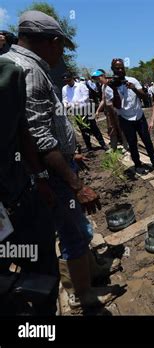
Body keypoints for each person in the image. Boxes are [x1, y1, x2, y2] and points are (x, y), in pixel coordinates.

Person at [2, 10, 119, 309]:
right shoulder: (28, 71)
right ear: (52, 42)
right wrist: (75, 183)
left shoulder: (24, 65)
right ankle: (83, 295)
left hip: (50, 168)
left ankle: (88, 276)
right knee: (72, 234)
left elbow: (37, 129)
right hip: (48, 175)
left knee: (78, 228)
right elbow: (38, 139)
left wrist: (70, 153)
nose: (61, 54)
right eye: (61, 47)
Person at [0, 56, 58, 315]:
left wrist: (41, 178)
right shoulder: (9, 73)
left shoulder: (9, 73)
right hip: (16, 201)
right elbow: (26, 132)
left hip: (18, 199)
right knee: (38, 279)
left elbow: (24, 132)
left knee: (40, 277)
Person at [110, 58, 154, 174]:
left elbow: (145, 97)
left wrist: (133, 88)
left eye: (122, 68)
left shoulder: (132, 80)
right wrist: (115, 89)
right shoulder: (110, 86)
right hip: (125, 118)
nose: (120, 70)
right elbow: (117, 106)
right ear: (112, 69)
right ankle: (137, 164)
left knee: (147, 140)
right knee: (132, 142)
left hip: (139, 116)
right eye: (117, 68)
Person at [62, 71, 108, 152]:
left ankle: (103, 144)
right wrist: (65, 104)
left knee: (94, 127)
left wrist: (75, 104)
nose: (67, 82)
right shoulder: (64, 88)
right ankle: (89, 147)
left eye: (68, 80)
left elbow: (85, 97)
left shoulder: (81, 86)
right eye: (65, 81)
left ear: (72, 78)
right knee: (83, 129)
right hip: (76, 111)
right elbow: (65, 99)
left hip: (86, 109)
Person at [92, 69, 128, 151]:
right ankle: (113, 146)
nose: (98, 80)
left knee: (120, 127)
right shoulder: (103, 86)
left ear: (103, 76)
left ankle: (126, 145)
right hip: (108, 109)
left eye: (98, 77)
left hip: (116, 108)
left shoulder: (112, 83)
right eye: (96, 79)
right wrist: (97, 110)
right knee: (111, 128)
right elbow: (103, 99)